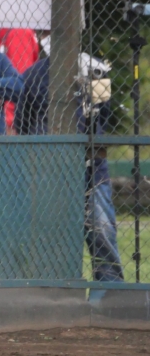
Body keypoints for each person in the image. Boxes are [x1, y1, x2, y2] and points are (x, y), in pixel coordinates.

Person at [14, 52, 123, 282]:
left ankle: (110, 289)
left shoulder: (96, 70)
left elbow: (104, 114)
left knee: (102, 229)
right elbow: (22, 124)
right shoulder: (34, 75)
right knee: (48, 235)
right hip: (48, 173)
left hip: (93, 170)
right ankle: (50, 286)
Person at [0, 28, 40, 132]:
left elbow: (20, 82)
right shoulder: (12, 31)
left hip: (11, 117)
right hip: (7, 113)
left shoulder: (19, 32)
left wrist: (10, 120)